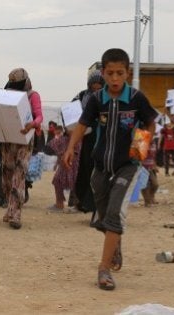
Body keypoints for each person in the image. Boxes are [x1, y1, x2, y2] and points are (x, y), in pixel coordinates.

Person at [63, 48, 157, 291]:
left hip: (127, 164)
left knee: (114, 213)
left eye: (120, 73)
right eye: (110, 73)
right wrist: (70, 148)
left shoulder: (136, 98)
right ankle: (115, 245)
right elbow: (82, 124)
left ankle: (103, 269)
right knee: (104, 217)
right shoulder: (96, 100)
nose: (115, 79)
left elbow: (149, 121)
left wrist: (140, 149)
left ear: (127, 73)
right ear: (103, 73)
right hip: (100, 165)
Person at [0, 68, 43, 229]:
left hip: (25, 140)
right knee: (7, 175)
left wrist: (33, 124)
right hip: (9, 140)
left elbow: (39, 116)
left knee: (19, 174)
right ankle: (10, 209)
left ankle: (16, 214)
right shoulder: (7, 94)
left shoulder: (32, 96)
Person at [73, 70, 105, 214]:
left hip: (102, 138)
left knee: (96, 170)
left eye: (100, 86)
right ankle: (83, 202)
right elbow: (69, 111)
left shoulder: (106, 98)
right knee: (85, 170)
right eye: (94, 86)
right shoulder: (81, 96)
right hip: (86, 139)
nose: (97, 89)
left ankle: (93, 206)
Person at [47, 128, 80, 211]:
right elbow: (54, 145)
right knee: (57, 181)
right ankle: (60, 203)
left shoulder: (78, 139)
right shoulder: (64, 139)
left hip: (72, 163)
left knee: (75, 183)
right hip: (66, 163)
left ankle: (77, 205)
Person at [141, 139, 159, 207]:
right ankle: (147, 201)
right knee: (145, 185)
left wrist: (155, 165)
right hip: (142, 166)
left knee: (155, 184)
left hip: (151, 167)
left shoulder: (153, 143)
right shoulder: (141, 141)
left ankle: (151, 196)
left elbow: (153, 156)